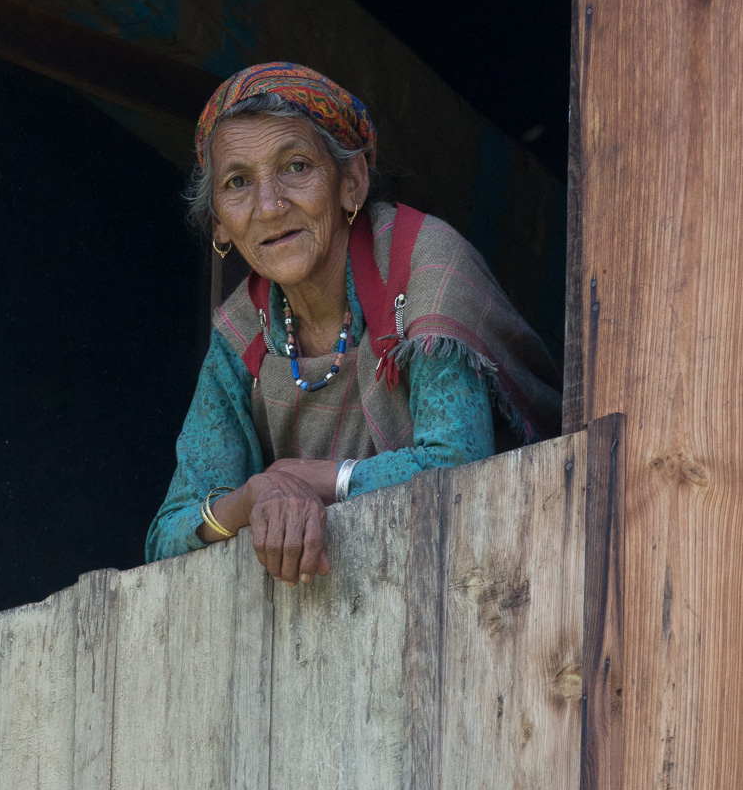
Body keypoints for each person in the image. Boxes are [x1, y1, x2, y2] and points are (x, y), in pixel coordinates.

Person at [146, 62, 562, 587]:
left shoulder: (423, 266)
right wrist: (255, 498)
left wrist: (312, 478)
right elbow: (166, 535)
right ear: (220, 225)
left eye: (296, 166)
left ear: (352, 183)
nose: (269, 206)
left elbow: (460, 467)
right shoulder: (241, 333)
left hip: (501, 572)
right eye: (238, 182)